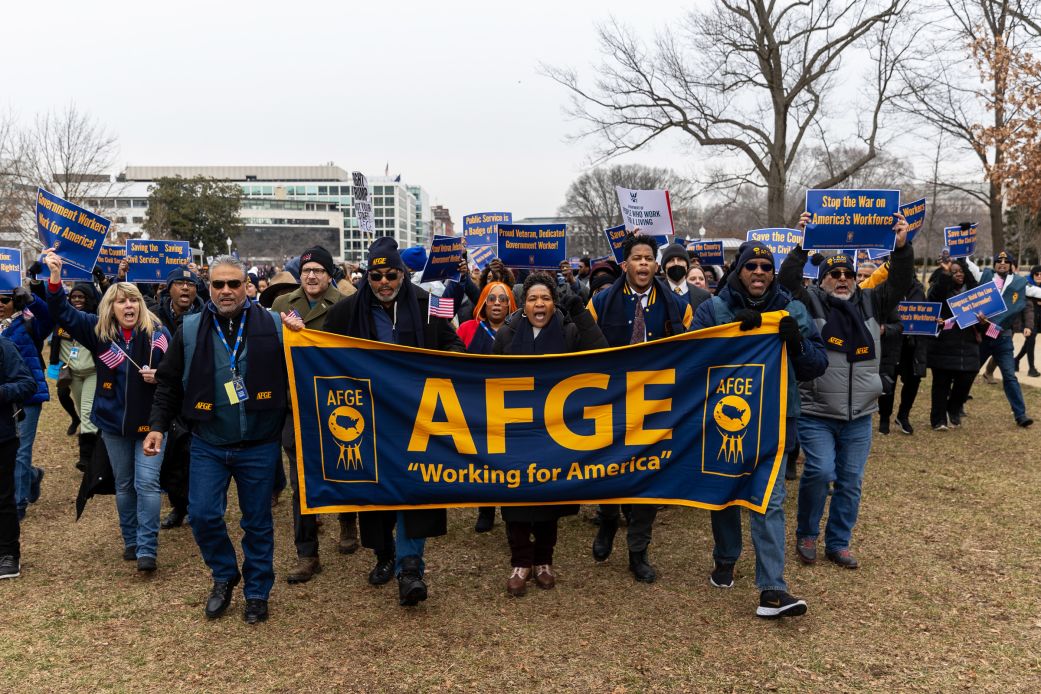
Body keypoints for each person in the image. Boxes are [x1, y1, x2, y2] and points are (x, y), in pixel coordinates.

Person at [144, 255, 303, 623]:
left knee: (258, 521)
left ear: (248, 285)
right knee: (201, 514)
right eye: (218, 285)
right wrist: (156, 425)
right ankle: (224, 574)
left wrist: (300, 334)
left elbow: (304, 374)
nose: (227, 291)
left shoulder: (275, 326)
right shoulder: (189, 328)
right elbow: (168, 383)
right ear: (209, 287)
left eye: (234, 284)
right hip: (209, 442)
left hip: (260, 443)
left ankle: (257, 590)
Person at [324, 237, 463, 607]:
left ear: (403, 273)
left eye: (391, 274)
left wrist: (444, 361)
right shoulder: (345, 312)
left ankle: (410, 566)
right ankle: (384, 555)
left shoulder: (428, 304)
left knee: (416, 487)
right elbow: (321, 354)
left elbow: (454, 345)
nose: (384, 282)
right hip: (368, 421)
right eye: (376, 275)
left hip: (419, 417)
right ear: (366, 276)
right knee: (376, 492)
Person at [693, 241, 827, 618]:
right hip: (723, 420)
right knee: (727, 490)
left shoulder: (792, 310)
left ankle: (772, 589)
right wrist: (735, 338)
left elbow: (816, 366)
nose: (759, 272)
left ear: (773, 272)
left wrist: (797, 343)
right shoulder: (713, 309)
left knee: (771, 499)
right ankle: (726, 558)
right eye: (751, 265)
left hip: (775, 422)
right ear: (739, 270)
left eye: (766, 266)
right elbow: (689, 360)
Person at [782, 212, 913, 571]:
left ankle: (838, 542)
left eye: (848, 275)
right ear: (822, 279)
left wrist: (901, 245)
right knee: (820, 472)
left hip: (859, 415)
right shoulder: (809, 301)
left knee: (851, 481)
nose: (842, 279)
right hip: (817, 412)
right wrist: (801, 243)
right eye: (834, 274)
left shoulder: (871, 302)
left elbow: (901, 281)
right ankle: (807, 533)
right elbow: (786, 281)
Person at [44, 249, 173, 573]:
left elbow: (176, 375)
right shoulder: (98, 332)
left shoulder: (158, 334)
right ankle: (130, 541)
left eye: (133, 301)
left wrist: (159, 375)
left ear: (140, 305)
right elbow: (62, 312)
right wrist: (56, 277)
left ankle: (147, 548)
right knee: (125, 484)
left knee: (147, 483)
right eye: (121, 301)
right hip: (114, 424)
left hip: (151, 425)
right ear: (111, 307)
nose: (128, 306)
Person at [492, 272, 607, 595]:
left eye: (545, 298)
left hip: (555, 432)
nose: (539, 304)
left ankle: (543, 561)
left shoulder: (570, 331)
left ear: (554, 302)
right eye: (532, 299)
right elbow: (485, 377)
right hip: (515, 432)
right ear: (523, 304)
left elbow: (602, 352)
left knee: (548, 501)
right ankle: (521, 562)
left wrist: (580, 310)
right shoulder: (507, 334)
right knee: (514, 500)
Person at [587, 233, 692, 583]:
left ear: (656, 265)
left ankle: (638, 552)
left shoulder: (676, 305)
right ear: (625, 264)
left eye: (649, 258)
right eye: (637, 258)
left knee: (647, 475)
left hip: (656, 405)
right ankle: (606, 522)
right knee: (609, 471)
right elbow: (585, 343)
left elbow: (695, 344)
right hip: (610, 401)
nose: (643, 264)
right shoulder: (601, 301)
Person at [271, 246, 356, 584]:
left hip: (338, 405)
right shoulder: (281, 305)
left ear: (329, 274)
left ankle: (348, 522)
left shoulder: (346, 304)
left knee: (345, 469)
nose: (311, 276)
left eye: (319, 270)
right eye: (306, 270)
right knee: (301, 485)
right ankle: (307, 553)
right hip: (296, 406)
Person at [456, 281, 517, 534]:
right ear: (482, 302)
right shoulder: (468, 329)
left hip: (512, 404)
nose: (497, 304)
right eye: (491, 299)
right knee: (483, 460)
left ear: (510, 304)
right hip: (477, 404)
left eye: (503, 299)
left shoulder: (519, 329)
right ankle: (486, 509)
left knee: (511, 460)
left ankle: (512, 510)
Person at [148, 269, 205, 530]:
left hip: (198, 394)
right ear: (168, 288)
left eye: (190, 284)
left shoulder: (206, 316)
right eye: (180, 283)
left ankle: (198, 506)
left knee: (196, 454)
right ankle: (178, 506)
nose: (185, 288)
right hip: (166, 393)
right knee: (171, 456)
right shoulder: (153, 317)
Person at [965, 251, 1035, 427]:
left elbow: (1035, 292)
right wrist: (962, 249)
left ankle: (1020, 415)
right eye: (999, 261)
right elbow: (967, 264)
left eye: (1006, 261)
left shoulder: (1019, 283)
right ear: (994, 264)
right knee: (968, 372)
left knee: (1010, 377)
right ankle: (956, 406)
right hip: (982, 337)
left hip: (1003, 338)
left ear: (1011, 265)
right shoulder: (985, 275)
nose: (1002, 263)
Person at [1, 285, 52, 521]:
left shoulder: (29, 322)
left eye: (5, 299)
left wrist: (33, 300)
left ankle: (18, 503)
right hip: (3, 397)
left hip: (26, 396)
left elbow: (49, 318)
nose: (0, 304)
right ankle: (31, 475)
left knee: (21, 450)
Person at [926, 258, 983, 431]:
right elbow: (935, 296)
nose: (958, 274)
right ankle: (939, 419)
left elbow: (977, 290)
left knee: (967, 378)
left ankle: (954, 408)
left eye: (961, 271)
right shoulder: (941, 292)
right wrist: (945, 273)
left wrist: (982, 320)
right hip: (944, 344)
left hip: (968, 343)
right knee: (941, 385)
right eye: (954, 272)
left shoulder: (972, 293)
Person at [49, 283, 101, 471]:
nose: (77, 300)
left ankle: (86, 458)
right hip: (72, 374)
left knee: (87, 411)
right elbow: (49, 304)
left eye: (81, 297)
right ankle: (99, 448)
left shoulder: (95, 320)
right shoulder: (61, 318)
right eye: (74, 297)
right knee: (83, 412)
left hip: (93, 373)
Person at [0, 336, 38, 580]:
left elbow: (27, 383)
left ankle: (7, 554)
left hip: (1, 436)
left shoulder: (4, 347)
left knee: (2, 497)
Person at [878, 275, 928, 435]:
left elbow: (926, 313)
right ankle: (884, 418)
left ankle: (903, 416)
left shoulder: (919, 291)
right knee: (888, 382)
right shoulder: (885, 290)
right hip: (891, 343)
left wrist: (934, 322)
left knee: (913, 382)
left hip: (913, 346)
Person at [659, 243, 712, 313]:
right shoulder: (656, 292)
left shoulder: (704, 295)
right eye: (671, 260)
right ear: (664, 267)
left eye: (680, 259)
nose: (676, 263)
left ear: (687, 265)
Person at [1015, 265, 1041, 377]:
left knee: (1029, 342)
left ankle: (1015, 360)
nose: (1039, 276)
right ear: (1032, 275)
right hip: (1027, 320)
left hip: (1038, 320)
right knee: (1031, 341)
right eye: (1036, 274)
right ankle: (1031, 369)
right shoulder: (1026, 285)